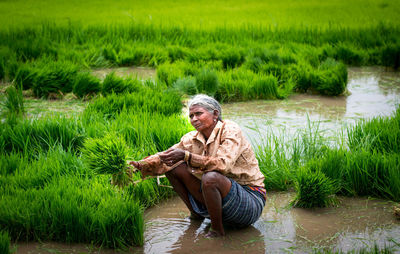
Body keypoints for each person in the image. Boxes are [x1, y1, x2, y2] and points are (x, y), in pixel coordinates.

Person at [129, 94, 266, 237]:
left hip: (249, 200)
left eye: (198, 114)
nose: (194, 119)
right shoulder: (191, 138)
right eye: (191, 116)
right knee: (172, 166)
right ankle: (196, 214)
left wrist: (187, 156)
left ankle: (217, 231)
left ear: (215, 114)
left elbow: (223, 165)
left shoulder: (230, 130)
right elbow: (164, 156)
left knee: (210, 177)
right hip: (219, 199)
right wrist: (139, 165)